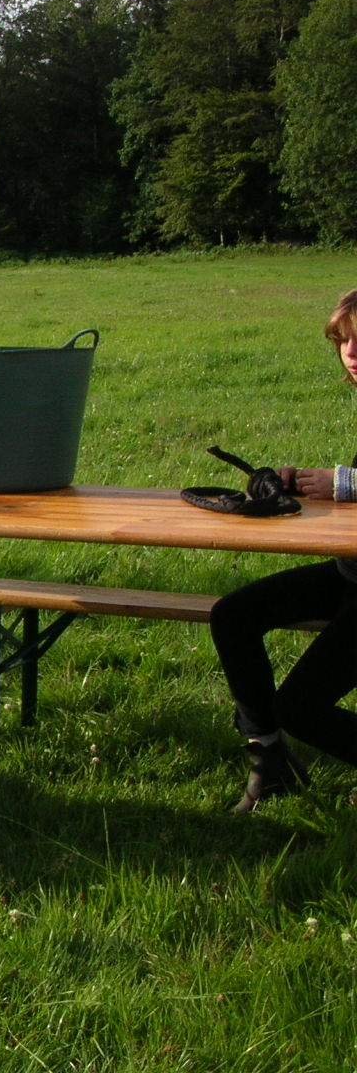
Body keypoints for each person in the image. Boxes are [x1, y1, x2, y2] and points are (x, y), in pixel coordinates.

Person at [209, 288, 357, 812]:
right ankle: (269, 761)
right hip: (350, 574)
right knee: (233, 615)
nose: (352, 354)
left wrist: (344, 482)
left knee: (300, 706)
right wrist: (298, 485)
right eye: (345, 342)